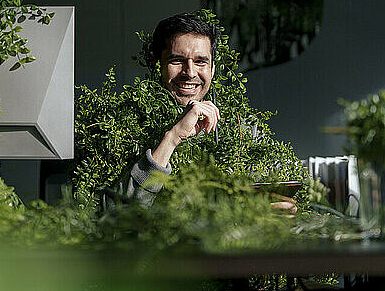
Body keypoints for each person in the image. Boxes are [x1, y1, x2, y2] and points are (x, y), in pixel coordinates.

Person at [102, 12, 296, 214]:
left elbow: (262, 205)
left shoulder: (242, 130)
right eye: (177, 60)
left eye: (201, 61)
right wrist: (172, 137)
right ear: (155, 64)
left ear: (212, 69)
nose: (190, 72)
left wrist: (276, 209)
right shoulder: (120, 129)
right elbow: (115, 216)